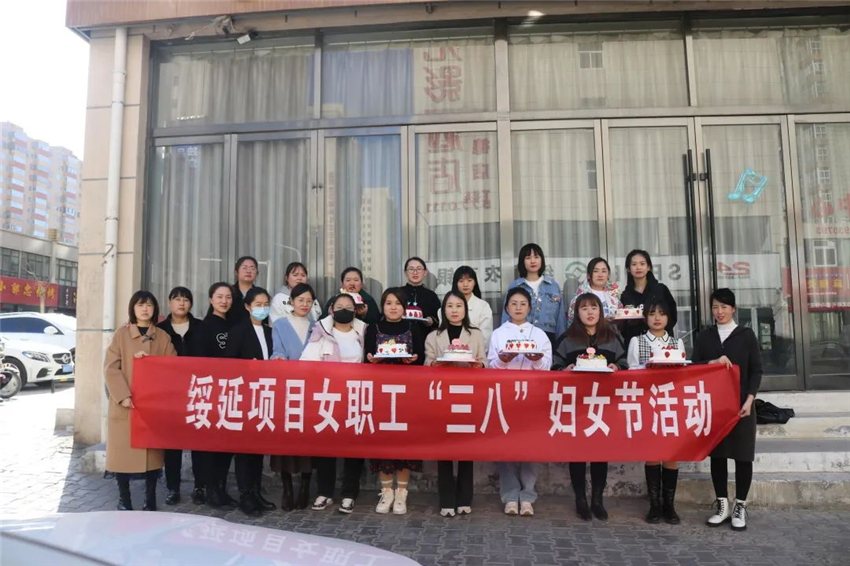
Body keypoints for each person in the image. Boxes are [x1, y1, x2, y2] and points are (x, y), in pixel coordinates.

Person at [553, 293, 627, 522]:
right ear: (577, 313)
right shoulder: (568, 338)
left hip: (604, 404)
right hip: (576, 404)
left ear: (600, 311)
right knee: (577, 452)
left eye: (594, 307)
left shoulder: (611, 336)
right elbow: (555, 366)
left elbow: (625, 363)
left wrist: (617, 367)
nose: (590, 312)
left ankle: (597, 500)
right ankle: (580, 500)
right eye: (584, 308)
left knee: (599, 452)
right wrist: (564, 370)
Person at [694, 288, 762, 532]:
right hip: (715, 406)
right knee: (718, 454)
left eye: (724, 307)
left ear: (733, 309)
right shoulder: (705, 336)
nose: (719, 312)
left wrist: (750, 399)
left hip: (742, 406)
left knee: (743, 456)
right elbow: (694, 366)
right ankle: (722, 504)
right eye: (715, 307)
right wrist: (712, 362)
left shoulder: (746, 335)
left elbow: (756, 370)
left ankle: (739, 506)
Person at [104, 291, 177, 511]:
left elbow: (173, 367)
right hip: (126, 405)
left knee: (151, 458)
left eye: (149, 305)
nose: (145, 309)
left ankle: (150, 499)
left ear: (155, 309)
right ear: (133, 309)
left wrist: (152, 362)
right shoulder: (121, 334)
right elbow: (111, 368)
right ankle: (124, 499)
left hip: (151, 406)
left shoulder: (162, 336)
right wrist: (123, 396)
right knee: (122, 456)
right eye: (140, 305)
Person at [301, 293, 368, 513]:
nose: (344, 309)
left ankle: (349, 494)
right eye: (339, 306)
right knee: (325, 447)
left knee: (353, 448)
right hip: (327, 397)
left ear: (355, 311)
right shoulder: (321, 333)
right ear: (331, 310)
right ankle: (325, 492)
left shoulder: (363, 332)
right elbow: (306, 363)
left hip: (355, 397)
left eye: (349, 306)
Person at [489, 287, 552, 517]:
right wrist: (503, 360)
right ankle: (509, 496)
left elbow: (547, 367)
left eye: (522, 304)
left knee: (530, 447)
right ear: (506, 307)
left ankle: (527, 496)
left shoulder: (539, 334)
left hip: (533, 396)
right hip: (506, 395)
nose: (518, 308)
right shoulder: (498, 334)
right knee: (505, 447)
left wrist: (536, 361)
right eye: (513, 303)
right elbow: (490, 365)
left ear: (530, 308)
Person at [364, 287, 426, 515]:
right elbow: (366, 359)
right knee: (383, 442)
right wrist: (372, 360)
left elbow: (420, 358)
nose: (393, 307)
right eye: (388, 303)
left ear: (404, 307)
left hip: (407, 393)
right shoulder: (374, 328)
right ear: (382, 306)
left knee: (404, 443)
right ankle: (386, 492)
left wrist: (413, 360)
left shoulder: (413, 327)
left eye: (398, 303)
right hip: (381, 393)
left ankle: (402, 493)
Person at [424, 290, 486, 517]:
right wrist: (436, 365)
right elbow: (427, 363)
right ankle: (447, 499)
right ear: (443, 310)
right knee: (445, 449)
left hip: (468, 396)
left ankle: (465, 498)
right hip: (443, 397)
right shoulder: (433, 336)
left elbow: (484, 361)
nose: (454, 310)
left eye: (459, 306)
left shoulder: (475, 334)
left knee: (466, 448)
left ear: (465, 309)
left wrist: (478, 365)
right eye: (450, 306)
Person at [626, 300, 685, 524]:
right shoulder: (637, 341)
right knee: (652, 453)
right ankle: (654, 504)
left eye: (662, 314)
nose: (657, 318)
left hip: (671, 402)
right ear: (645, 318)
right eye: (652, 314)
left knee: (671, 454)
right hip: (647, 402)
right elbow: (631, 372)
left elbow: (684, 373)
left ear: (669, 317)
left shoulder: (677, 342)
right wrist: (648, 368)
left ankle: (670, 505)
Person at [225, 287, 275, 516]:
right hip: (245, 396)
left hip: (264, 396)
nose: (262, 308)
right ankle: (245, 495)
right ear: (247, 306)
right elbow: (229, 365)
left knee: (258, 448)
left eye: (266, 304)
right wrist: (248, 367)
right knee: (244, 449)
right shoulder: (238, 331)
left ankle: (256, 492)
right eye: (258, 304)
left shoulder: (270, 331)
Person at [157, 286, 208, 507]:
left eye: (186, 299)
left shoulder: (201, 327)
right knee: (172, 445)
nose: (181, 303)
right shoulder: (160, 330)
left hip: (198, 392)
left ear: (191, 304)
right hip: (171, 394)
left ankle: (200, 486)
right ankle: (173, 488)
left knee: (199, 443)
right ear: (169, 302)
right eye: (177, 299)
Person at [270, 282, 316, 511]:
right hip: (287, 389)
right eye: (300, 300)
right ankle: (287, 487)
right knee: (285, 439)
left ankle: (305, 487)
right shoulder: (280, 324)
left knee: (308, 440)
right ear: (292, 302)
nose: (304, 305)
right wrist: (278, 359)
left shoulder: (317, 327)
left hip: (311, 389)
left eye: (309, 301)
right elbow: (277, 350)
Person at [201, 282, 238, 509]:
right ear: (211, 300)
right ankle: (211, 490)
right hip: (213, 393)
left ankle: (222, 489)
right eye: (219, 296)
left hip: (231, 392)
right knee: (212, 446)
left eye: (228, 297)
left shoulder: (234, 324)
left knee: (227, 446)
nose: (224, 301)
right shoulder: (204, 326)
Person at [502, 243, 566, 345]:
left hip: (549, 337)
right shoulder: (515, 286)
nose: (533, 261)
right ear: (522, 261)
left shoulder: (553, 286)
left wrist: (562, 343)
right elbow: (506, 316)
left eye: (536, 257)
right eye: (528, 258)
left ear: (542, 260)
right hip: (520, 337)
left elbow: (560, 319)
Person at [619, 250, 677, 347]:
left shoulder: (661, 289)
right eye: (634, 264)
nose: (638, 267)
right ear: (628, 269)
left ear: (648, 267)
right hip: (635, 343)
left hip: (662, 342)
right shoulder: (625, 295)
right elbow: (623, 326)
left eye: (642, 264)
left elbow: (672, 315)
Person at [567, 258, 622, 326]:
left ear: (608, 275)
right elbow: (573, 323)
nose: (600, 275)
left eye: (604, 271)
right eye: (596, 271)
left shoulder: (614, 295)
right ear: (588, 275)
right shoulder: (580, 297)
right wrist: (601, 321)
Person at [451, 265, 494, 345]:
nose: (465, 284)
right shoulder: (447, 306)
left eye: (469, 280)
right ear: (456, 283)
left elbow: (486, 336)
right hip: (450, 351)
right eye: (461, 281)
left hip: (476, 351)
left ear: (475, 282)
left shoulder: (483, 306)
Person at [402, 257, 441, 327]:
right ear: (405, 273)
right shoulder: (398, 293)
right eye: (411, 269)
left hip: (425, 332)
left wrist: (431, 320)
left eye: (419, 269)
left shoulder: (431, 296)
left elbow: (439, 318)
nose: (415, 272)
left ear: (425, 272)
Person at [227, 256, 259, 325]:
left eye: (252, 268)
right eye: (244, 268)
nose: (248, 271)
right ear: (236, 272)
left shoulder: (260, 294)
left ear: (256, 273)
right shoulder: (228, 292)